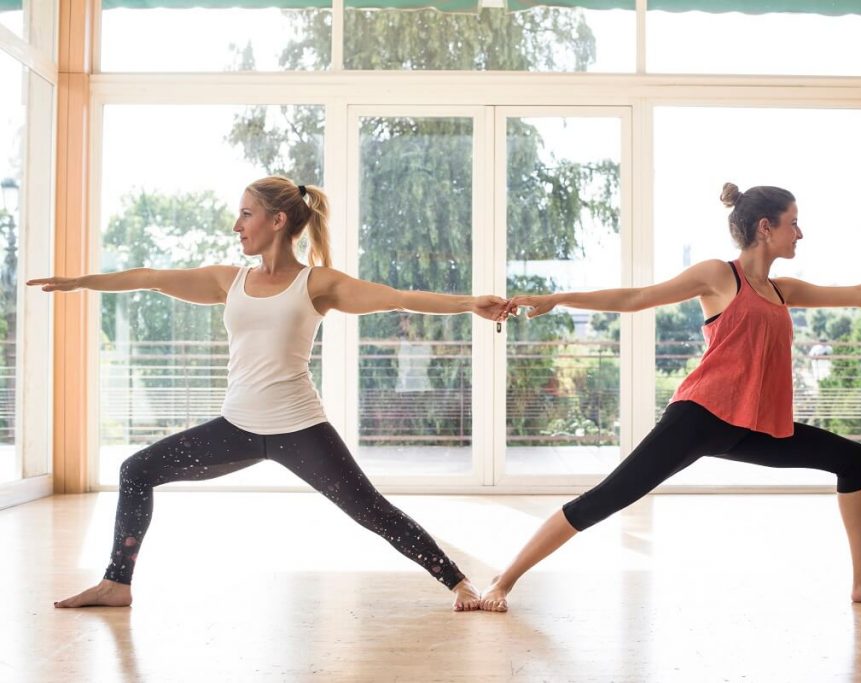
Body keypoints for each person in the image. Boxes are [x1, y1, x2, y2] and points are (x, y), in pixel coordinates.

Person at [481, 182, 861, 612]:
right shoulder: (719, 276)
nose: (800, 233)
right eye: (794, 223)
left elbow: (856, 294)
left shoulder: (783, 289)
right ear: (766, 226)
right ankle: (503, 580)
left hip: (752, 426)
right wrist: (558, 297)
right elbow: (637, 298)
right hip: (699, 415)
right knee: (609, 497)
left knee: (852, 458)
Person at [29, 176, 511, 611]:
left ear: (277, 221)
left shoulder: (316, 283)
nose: (236, 225)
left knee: (372, 511)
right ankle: (117, 583)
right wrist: (80, 283)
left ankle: (458, 582)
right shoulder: (229, 280)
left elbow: (398, 297)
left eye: (245, 213)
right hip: (236, 428)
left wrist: (471, 303)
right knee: (136, 470)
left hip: (300, 428)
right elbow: (150, 278)